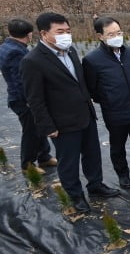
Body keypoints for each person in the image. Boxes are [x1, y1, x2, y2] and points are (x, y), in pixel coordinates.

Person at [21, 12, 119, 213]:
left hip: (85, 116)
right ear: (44, 34)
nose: (66, 35)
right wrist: (48, 127)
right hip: (62, 123)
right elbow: (35, 99)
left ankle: (96, 185)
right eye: (60, 32)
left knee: (92, 155)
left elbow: (80, 83)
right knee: (69, 162)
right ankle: (76, 196)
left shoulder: (71, 51)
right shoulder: (33, 61)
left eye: (68, 31)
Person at [83, 17, 130, 190]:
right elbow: (92, 89)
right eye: (111, 34)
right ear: (100, 36)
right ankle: (123, 174)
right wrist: (109, 99)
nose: (116, 36)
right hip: (115, 111)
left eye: (118, 32)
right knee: (118, 145)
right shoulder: (92, 60)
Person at [0, 19, 56, 174]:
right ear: (29, 34)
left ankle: (44, 156)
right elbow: (21, 81)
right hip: (22, 99)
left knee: (39, 127)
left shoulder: (6, 46)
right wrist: (30, 101)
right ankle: (28, 164)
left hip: (19, 97)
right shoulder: (16, 52)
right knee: (31, 131)